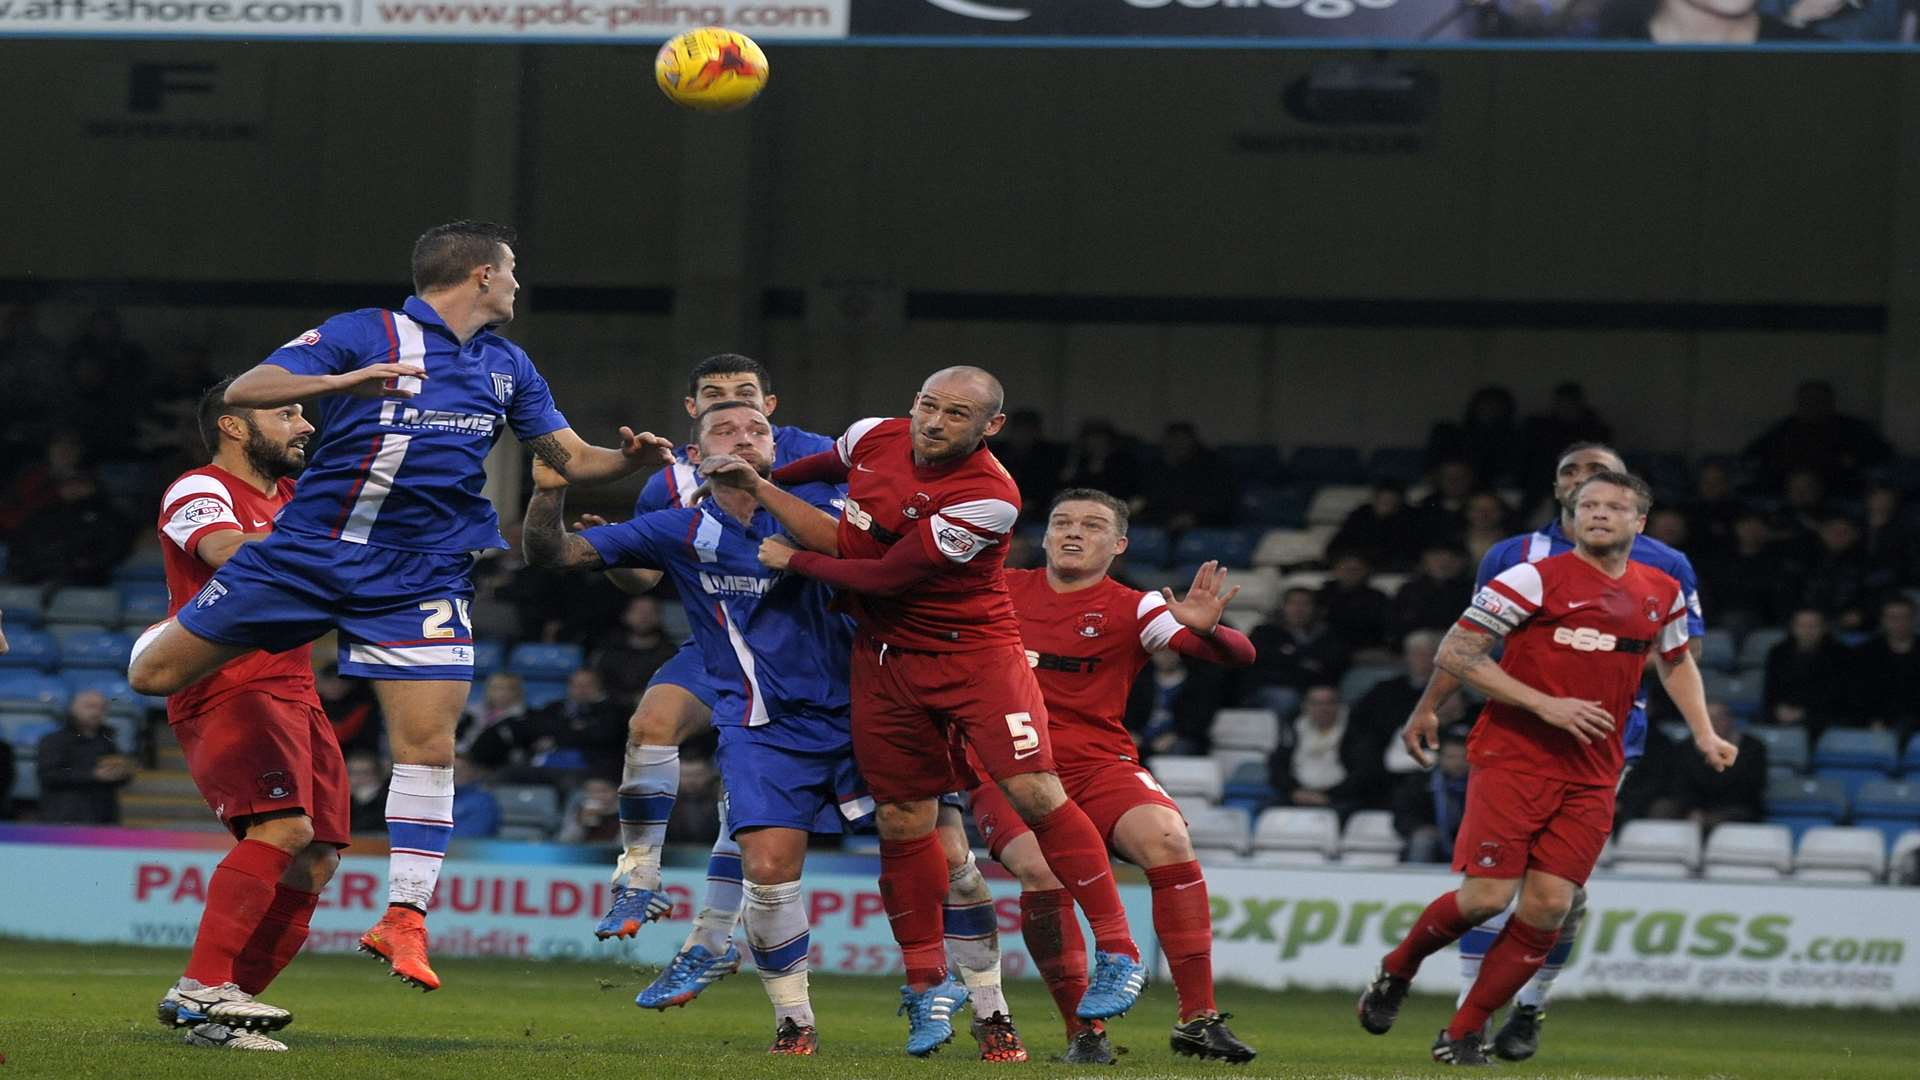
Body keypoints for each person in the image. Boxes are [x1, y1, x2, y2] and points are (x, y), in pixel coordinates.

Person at [126, 220, 676, 992]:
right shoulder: (365, 333)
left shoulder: (508, 367)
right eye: (512, 269)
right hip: (312, 550)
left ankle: (404, 915)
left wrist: (628, 459)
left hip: (420, 574)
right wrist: (340, 384)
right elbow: (250, 389)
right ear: (482, 275)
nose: (519, 282)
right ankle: (177, 625)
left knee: (429, 745)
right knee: (153, 676)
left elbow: (572, 458)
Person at [524, 400, 1017, 1058]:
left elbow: (890, 560)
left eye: (758, 431)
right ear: (696, 456)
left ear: (775, 451)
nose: (745, 437)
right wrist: (547, 497)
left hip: (877, 710)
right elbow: (554, 554)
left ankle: (991, 1010)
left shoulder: (838, 512)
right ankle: (794, 1024)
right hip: (766, 729)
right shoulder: (678, 528)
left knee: (955, 864)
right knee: (766, 870)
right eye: (726, 431)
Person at [719, 368, 1148, 1054]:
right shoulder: (871, 436)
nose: (935, 421)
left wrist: (790, 548)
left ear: (989, 426)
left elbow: (888, 577)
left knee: (1036, 791)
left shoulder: (991, 499)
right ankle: (925, 986)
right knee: (901, 818)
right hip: (887, 662)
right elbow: (813, 466)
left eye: (956, 413)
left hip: (974, 658)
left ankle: (1121, 951)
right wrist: (750, 473)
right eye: (927, 404)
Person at [1361, 471, 1736, 1066]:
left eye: (1615, 506)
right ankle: (1397, 969)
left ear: (1641, 522)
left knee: (1549, 907)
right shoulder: (1532, 577)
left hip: (1594, 768)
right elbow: (1457, 652)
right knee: (1486, 898)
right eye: (1587, 505)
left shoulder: (1660, 589)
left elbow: (1676, 662)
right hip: (1514, 756)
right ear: (1571, 516)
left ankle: (1462, 1031)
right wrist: (1543, 703)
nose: (1599, 514)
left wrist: (1704, 732)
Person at [971, 489, 1256, 1064]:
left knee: (1168, 838)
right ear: (1045, 536)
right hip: (1005, 766)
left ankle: (1197, 1018)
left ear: (1119, 545)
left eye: (1094, 526)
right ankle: (1084, 1032)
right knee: (1039, 871)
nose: (1075, 532)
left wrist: (1205, 631)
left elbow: (1239, 656)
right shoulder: (997, 589)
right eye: (1063, 522)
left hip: (1099, 763)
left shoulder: (1138, 606)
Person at [593, 355, 833, 949]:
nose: (730, 402)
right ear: (693, 411)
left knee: (748, 794)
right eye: (714, 395)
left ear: (769, 408)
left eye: (745, 393)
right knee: (649, 724)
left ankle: (713, 936)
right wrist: (617, 561)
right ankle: (639, 875)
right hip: (718, 642)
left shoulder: (821, 456)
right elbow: (645, 578)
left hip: (812, 650)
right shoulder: (666, 481)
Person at [147, 378, 349, 1052]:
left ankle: (223, 1015)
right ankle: (200, 988)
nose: (304, 426)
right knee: (283, 828)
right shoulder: (198, 489)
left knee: (316, 858)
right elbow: (226, 552)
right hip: (226, 682)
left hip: (293, 686)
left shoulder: (294, 498)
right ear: (234, 426)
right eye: (286, 411)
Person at [1743, 380, 1892, 495]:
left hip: (1838, 488)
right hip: (1788, 489)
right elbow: (1752, 453)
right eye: (1806, 401)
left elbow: (1883, 454)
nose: (1812, 406)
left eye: (1818, 400)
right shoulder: (1784, 429)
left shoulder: (1852, 428)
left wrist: (1854, 460)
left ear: (1830, 403)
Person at [1270, 685, 1387, 816]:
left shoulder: (1357, 731)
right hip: (1297, 795)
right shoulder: (1293, 729)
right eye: (1316, 703)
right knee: (1267, 813)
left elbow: (1365, 771)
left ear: (1339, 705)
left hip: (1342, 799)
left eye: (1329, 703)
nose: (1323, 709)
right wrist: (1294, 791)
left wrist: (1329, 795)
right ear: (1305, 706)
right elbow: (1277, 766)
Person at [1653, 704, 1768, 829]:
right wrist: (1692, 809)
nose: (1713, 723)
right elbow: (1679, 785)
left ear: (1730, 720)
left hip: (1736, 807)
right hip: (1693, 807)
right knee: (1662, 808)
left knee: (1719, 819)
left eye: (1719, 718)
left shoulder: (1753, 748)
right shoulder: (1685, 748)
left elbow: (1750, 788)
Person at [1245, 587, 1351, 718]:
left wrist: (1291, 658)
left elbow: (1333, 664)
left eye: (1305, 604)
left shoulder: (1327, 635)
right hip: (1270, 689)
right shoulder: (1264, 632)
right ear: (1283, 607)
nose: (1299, 609)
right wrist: (1303, 663)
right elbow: (1259, 663)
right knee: (1286, 698)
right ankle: (1282, 738)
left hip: (1315, 689)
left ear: (1315, 608)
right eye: (1293, 603)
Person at [35, 690, 134, 824]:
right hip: (64, 817)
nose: (96, 712)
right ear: (72, 708)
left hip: (103, 817)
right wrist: (93, 775)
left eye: (101, 708)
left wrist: (122, 773)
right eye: (89, 706)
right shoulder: (54, 741)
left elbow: (121, 779)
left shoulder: (108, 741)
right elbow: (48, 774)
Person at [1762, 608, 1855, 738]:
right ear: (1793, 627)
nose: (1807, 631)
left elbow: (1838, 692)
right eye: (1802, 625)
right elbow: (1771, 688)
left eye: (1813, 626)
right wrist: (1779, 709)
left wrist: (1804, 712)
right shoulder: (1778, 652)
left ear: (1824, 628)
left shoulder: (1841, 654)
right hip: (1783, 710)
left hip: (1822, 712)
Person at [1393, 722, 1472, 864]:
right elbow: (1403, 815)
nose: (1458, 763)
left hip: (1470, 839)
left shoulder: (1482, 784)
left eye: (1463, 757)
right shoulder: (1420, 782)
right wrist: (1420, 828)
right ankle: (1414, 881)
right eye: (1451, 757)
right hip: (1433, 838)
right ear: (1440, 758)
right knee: (1423, 840)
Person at [1853, 597, 1920, 738]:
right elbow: (1858, 692)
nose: (1899, 623)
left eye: (1905, 617)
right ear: (1883, 620)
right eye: (1893, 617)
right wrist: (1872, 720)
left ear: (1914, 619)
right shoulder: (1865, 653)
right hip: (1874, 722)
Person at [590, 596, 678, 705]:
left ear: (660, 617)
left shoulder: (671, 653)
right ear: (626, 615)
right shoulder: (610, 649)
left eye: (650, 612)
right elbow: (599, 685)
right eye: (638, 611)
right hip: (611, 711)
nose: (644, 617)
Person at [1389, 544, 1475, 642]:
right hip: (1418, 641)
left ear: (1464, 562)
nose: (1444, 564)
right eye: (1437, 558)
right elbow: (1398, 623)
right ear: (1425, 560)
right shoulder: (1410, 589)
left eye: (1452, 559)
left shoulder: (1472, 590)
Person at [449, 756, 501, 840]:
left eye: (461, 769)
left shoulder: (483, 801)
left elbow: (471, 835)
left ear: (472, 772)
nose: (455, 774)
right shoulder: (440, 798)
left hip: (470, 850)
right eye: (451, 770)